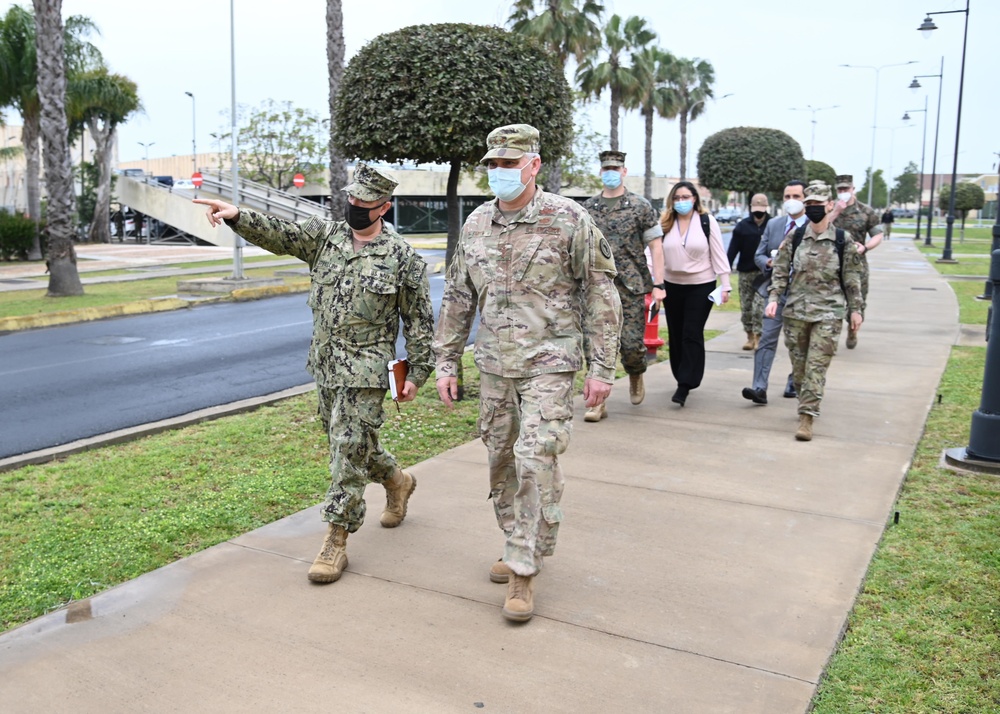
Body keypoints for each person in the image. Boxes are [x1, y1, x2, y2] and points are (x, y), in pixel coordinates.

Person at [193, 163, 434, 584]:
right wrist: (236, 214)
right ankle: (398, 480)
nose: (355, 206)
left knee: (348, 446)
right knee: (351, 445)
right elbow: (279, 233)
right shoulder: (325, 237)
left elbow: (419, 322)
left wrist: (416, 373)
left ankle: (335, 539)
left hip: (368, 368)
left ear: (384, 207)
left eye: (365, 202)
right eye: (352, 199)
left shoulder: (403, 258)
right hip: (325, 364)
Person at [433, 124, 621, 623]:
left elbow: (602, 295)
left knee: (536, 457)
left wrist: (603, 368)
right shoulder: (475, 226)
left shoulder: (568, 219)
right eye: (492, 165)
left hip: (551, 364)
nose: (499, 173)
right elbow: (457, 298)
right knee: (501, 461)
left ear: (533, 166)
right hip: (494, 364)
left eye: (509, 164)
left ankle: (523, 568)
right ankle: (516, 537)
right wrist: (446, 361)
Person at [765, 180, 863, 441]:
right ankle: (803, 400)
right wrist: (774, 297)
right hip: (796, 312)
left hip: (829, 314)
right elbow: (780, 270)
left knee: (815, 367)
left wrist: (856, 310)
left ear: (829, 205)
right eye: (809, 204)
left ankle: (807, 416)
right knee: (799, 369)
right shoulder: (795, 237)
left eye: (818, 204)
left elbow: (852, 278)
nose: (813, 208)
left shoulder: (842, 240)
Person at [581, 149, 665, 422]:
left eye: (615, 169)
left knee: (631, 345)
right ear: (600, 173)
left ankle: (636, 373)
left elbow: (656, 245)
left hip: (631, 286)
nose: (611, 174)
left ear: (624, 172)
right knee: (595, 346)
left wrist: (659, 284)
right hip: (596, 286)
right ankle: (597, 404)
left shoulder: (639, 206)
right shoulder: (589, 208)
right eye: (606, 169)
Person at [658, 180, 731, 407]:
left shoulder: (707, 222)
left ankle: (686, 383)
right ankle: (680, 373)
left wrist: (726, 283)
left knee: (691, 331)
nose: (681, 202)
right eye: (677, 198)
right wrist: (656, 283)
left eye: (685, 197)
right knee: (676, 333)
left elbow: (718, 252)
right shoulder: (665, 224)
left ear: (695, 199)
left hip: (701, 285)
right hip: (672, 286)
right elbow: (655, 255)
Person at [742, 180, 808, 405]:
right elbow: (758, 255)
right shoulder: (774, 225)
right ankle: (759, 387)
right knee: (767, 338)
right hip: (776, 292)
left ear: (805, 199)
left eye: (796, 196)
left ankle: (794, 380)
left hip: (803, 294)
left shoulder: (813, 226)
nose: (791, 201)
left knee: (799, 342)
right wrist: (769, 262)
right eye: (787, 196)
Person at [831, 174, 882, 349]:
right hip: (831, 263)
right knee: (831, 301)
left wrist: (866, 247)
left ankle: (852, 330)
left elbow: (878, 234)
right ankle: (829, 338)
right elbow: (818, 227)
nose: (843, 192)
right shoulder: (830, 209)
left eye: (846, 189)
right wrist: (836, 211)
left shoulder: (866, 211)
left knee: (857, 301)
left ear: (853, 189)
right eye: (840, 189)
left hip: (856, 263)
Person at [727, 193, 770, 351]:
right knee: (746, 307)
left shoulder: (772, 224)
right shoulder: (742, 226)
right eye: (756, 209)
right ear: (751, 208)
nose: (758, 212)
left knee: (759, 307)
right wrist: (726, 268)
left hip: (764, 273)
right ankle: (749, 336)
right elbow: (733, 249)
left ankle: (759, 337)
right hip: (745, 272)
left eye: (761, 209)